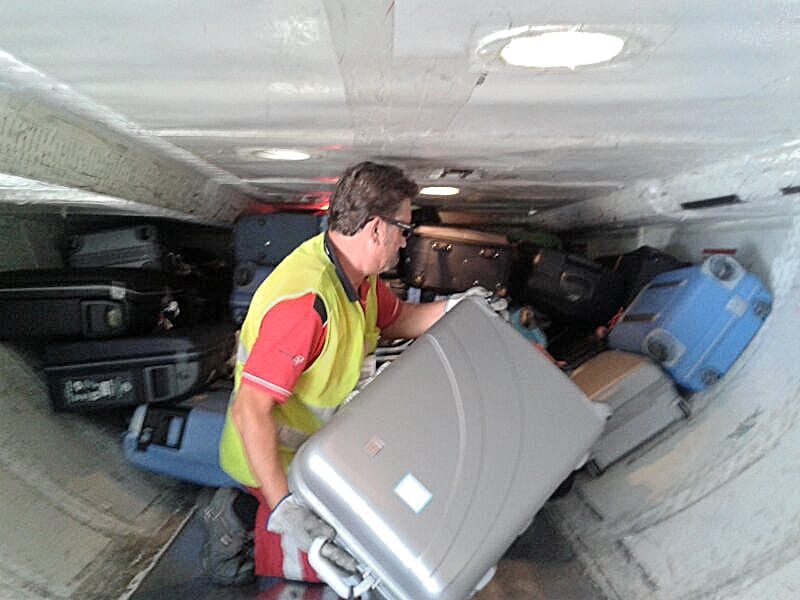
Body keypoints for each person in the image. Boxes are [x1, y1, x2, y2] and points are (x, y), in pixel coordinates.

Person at [201, 161, 485, 585]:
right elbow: (250, 411)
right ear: (376, 228)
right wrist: (284, 509)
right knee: (328, 566)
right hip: (271, 462)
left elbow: (400, 318)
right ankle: (237, 517)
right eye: (403, 230)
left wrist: (460, 307)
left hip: (320, 452)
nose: (405, 244)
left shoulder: (359, 280)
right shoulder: (307, 303)